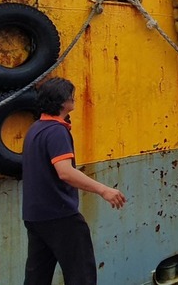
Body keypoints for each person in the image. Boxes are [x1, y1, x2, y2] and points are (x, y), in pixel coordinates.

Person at [21, 77, 126, 285]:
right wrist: (103, 190)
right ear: (63, 102)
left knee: (37, 276)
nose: (74, 98)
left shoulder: (35, 129)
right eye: (71, 95)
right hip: (60, 216)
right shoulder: (56, 132)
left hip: (35, 216)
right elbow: (65, 172)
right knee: (81, 275)